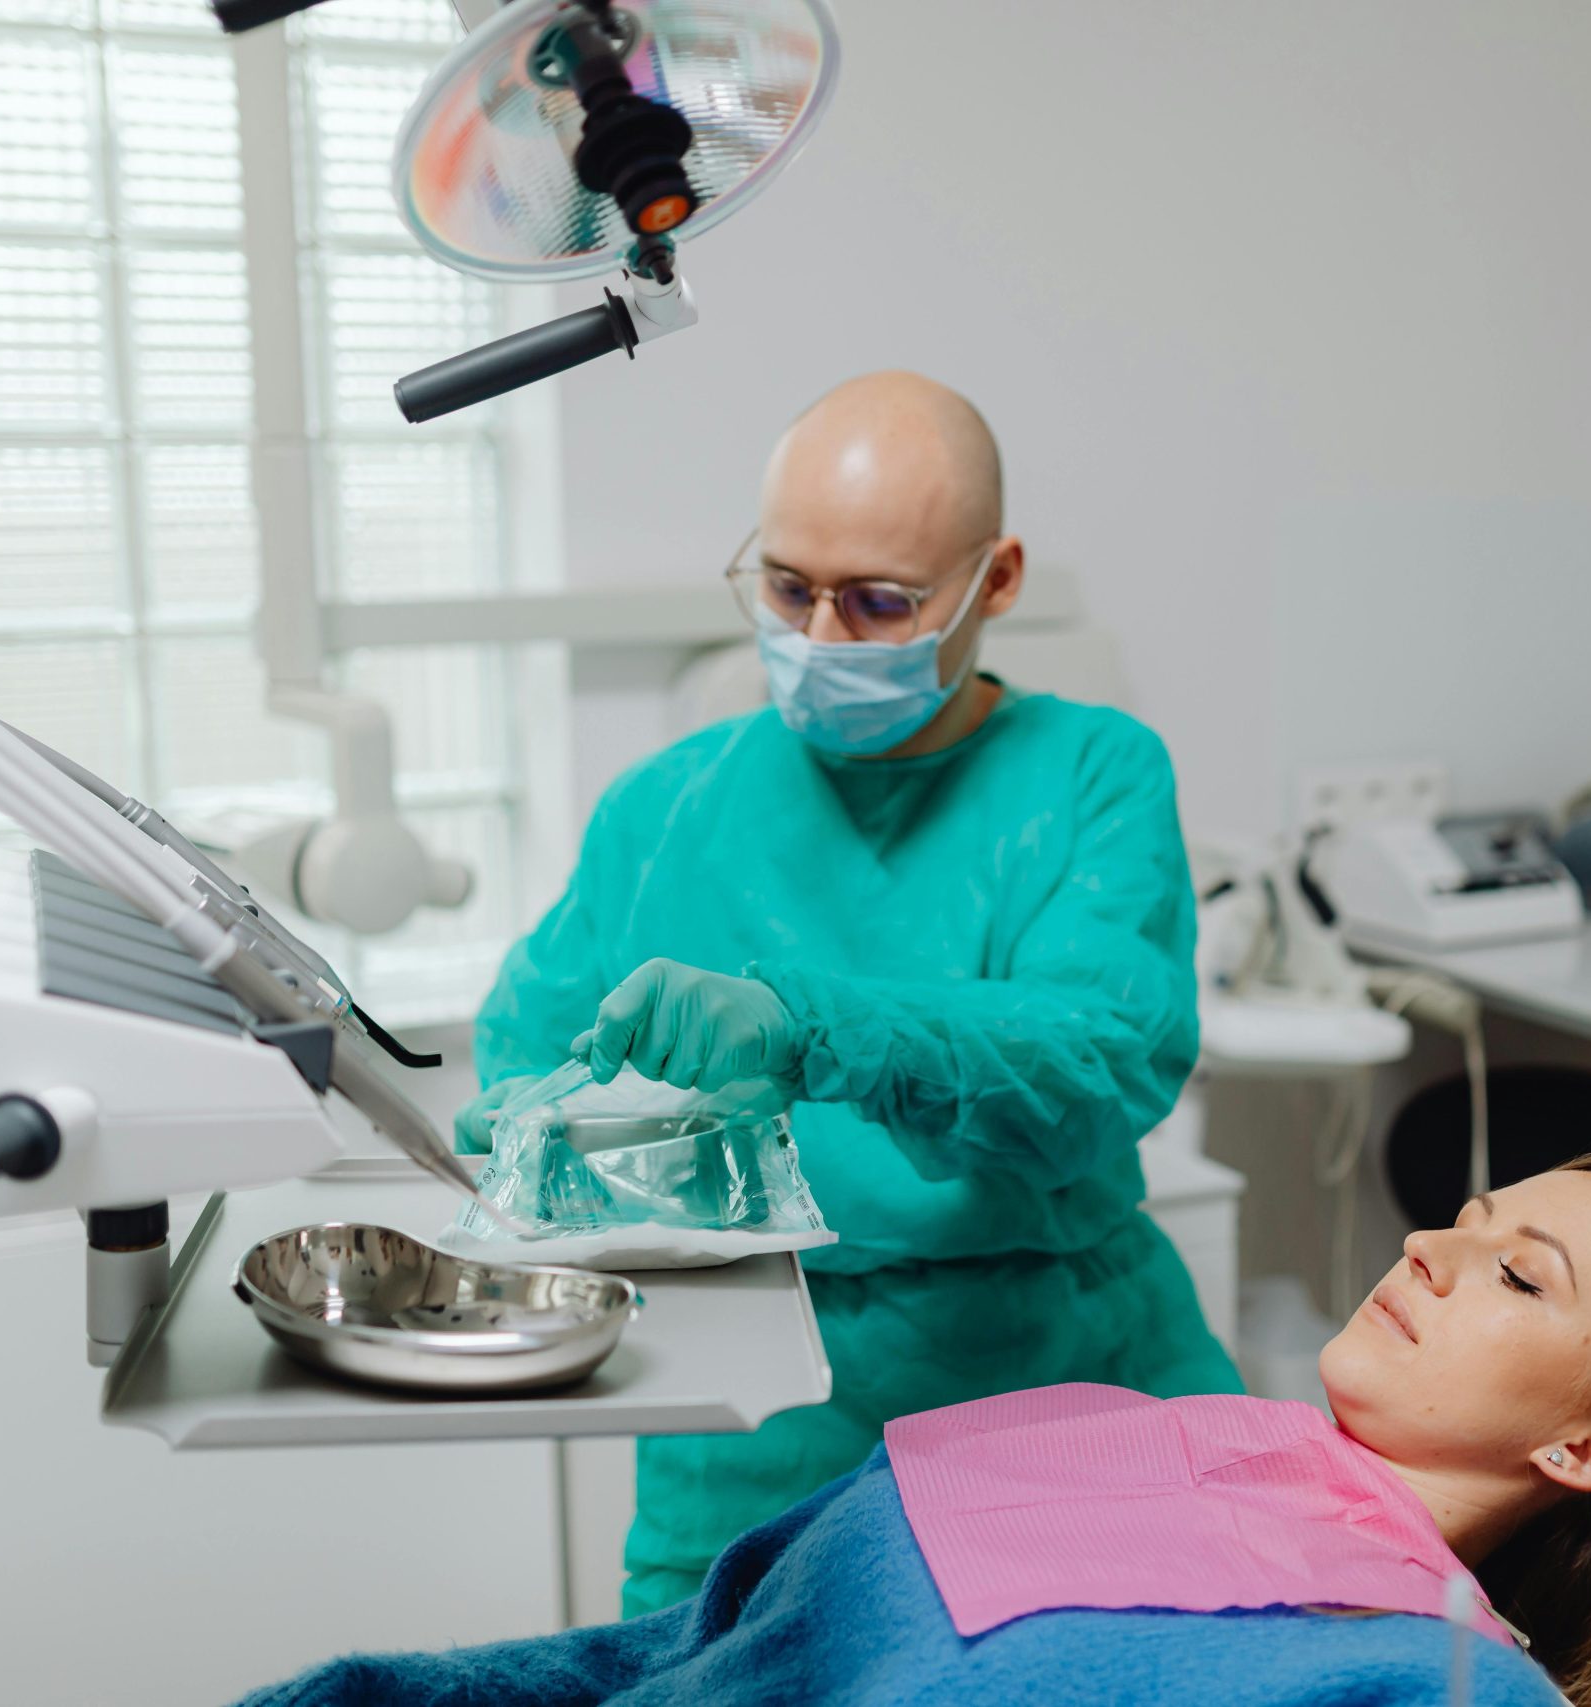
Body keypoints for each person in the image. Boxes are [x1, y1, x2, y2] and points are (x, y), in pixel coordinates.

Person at [462, 371, 1240, 1613]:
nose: (820, 639)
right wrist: (534, 1133)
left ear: (996, 580)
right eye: (786, 588)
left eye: (880, 602)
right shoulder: (664, 809)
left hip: (1061, 1380)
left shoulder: (1092, 773)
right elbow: (520, 1062)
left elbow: (1096, 1059)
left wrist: (815, 1029)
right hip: (753, 1420)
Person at [240, 1153, 1591, 1707]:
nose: (1430, 1246)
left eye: (1515, 1271)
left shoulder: (1432, 1670)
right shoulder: (1130, 1420)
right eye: (1467, 1217)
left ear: (1586, 1448)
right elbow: (706, 1636)